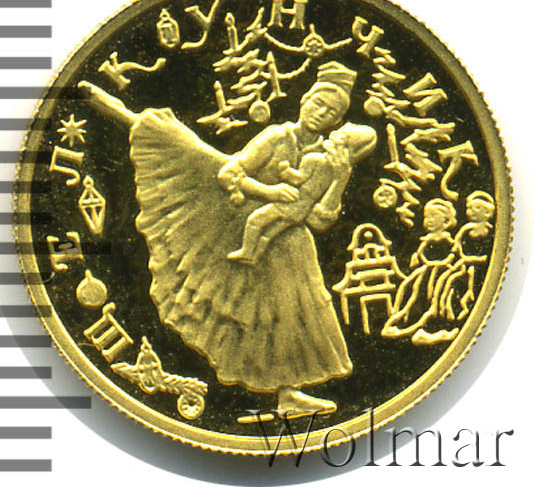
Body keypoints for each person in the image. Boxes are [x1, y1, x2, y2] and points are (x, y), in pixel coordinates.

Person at [79, 61, 377, 417]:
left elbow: (321, 219)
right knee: (174, 141)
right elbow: (230, 173)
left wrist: (341, 177)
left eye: (330, 111)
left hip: (292, 250)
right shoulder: (276, 137)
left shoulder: (330, 161)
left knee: (288, 320)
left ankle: (288, 395)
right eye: (318, 103)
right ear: (305, 100)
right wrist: (270, 192)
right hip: (242, 224)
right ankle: (112, 108)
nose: (320, 112)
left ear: (337, 121)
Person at [226, 121, 376, 265]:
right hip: (302, 211)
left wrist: (285, 172)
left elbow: (298, 179)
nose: (334, 133)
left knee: (256, 220)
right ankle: (255, 257)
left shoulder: (313, 159)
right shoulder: (333, 174)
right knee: (271, 233)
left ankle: (246, 251)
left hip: (291, 201)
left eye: (341, 134)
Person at [381, 198, 459, 345]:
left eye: (433, 216)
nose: (428, 220)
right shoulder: (426, 240)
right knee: (409, 287)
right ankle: (403, 319)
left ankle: (433, 327)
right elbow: (422, 254)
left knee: (433, 293)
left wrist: (442, 262)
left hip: (440, 272)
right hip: (426, 272)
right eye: (426, 217)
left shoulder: (448, 240)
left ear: (446, 221)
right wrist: (419, 258)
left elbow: (452, 254)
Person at [433, 190, 495, 322]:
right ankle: (442, 308)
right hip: (463, 264)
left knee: (467, 279)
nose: (471, 211)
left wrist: (472, 259)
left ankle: (464, 306)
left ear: (487, 212)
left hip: (478, 267)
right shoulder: (466, 229)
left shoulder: (490, 231)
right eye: (469, 208)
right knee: (446, 280)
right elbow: (456, 245)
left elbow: (490, 250)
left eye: (477, 208)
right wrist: (453, 257)